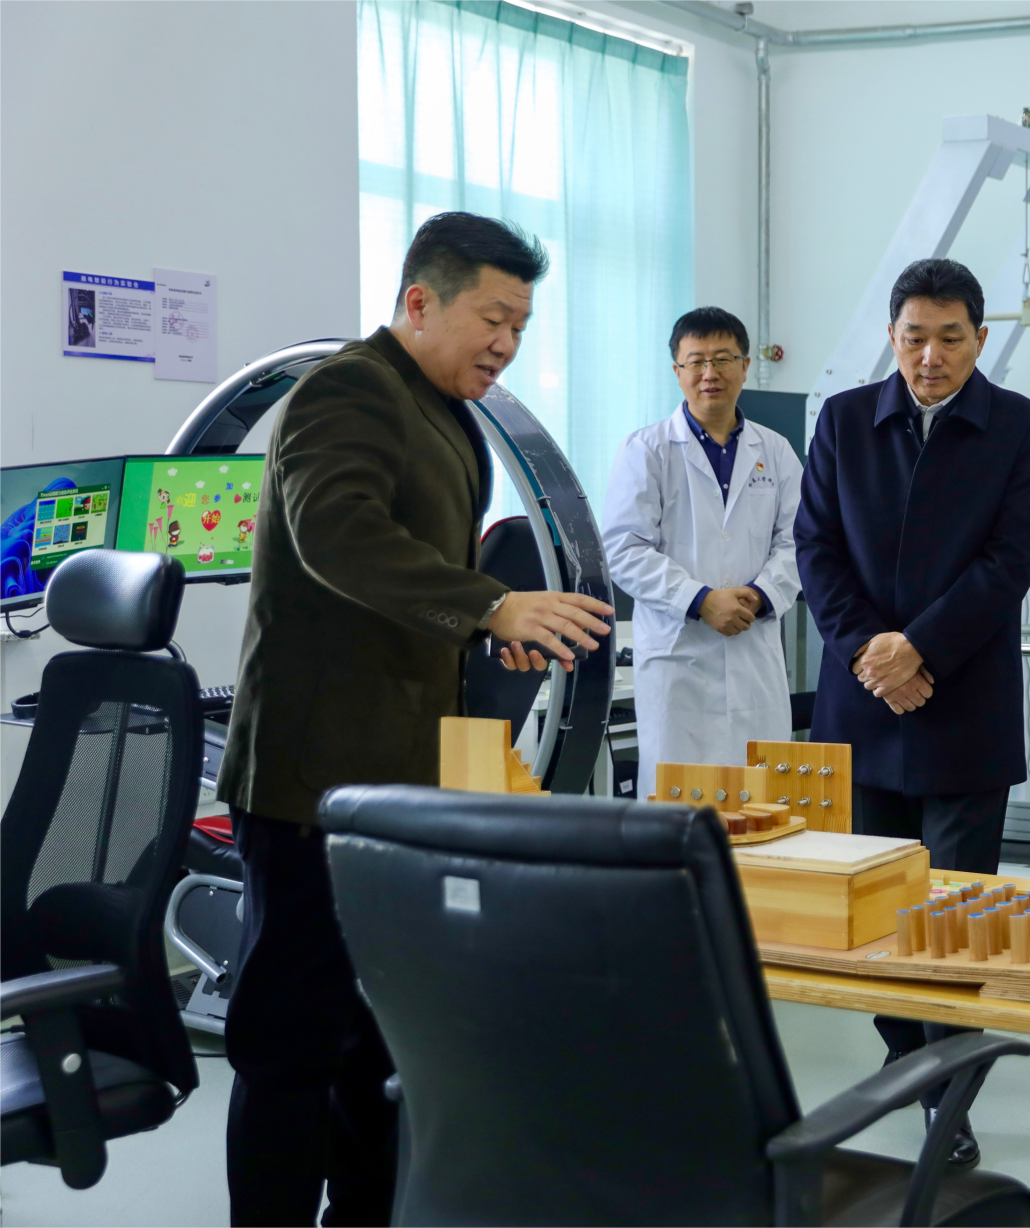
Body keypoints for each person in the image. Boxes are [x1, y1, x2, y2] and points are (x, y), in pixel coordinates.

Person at [216, 212, 614, 1227]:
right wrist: (489, 604)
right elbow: (337, 537)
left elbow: (414, 578)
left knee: (382, 1046)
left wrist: (489, 626)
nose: (506, 343)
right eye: (493, 319)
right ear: (420, 301)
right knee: (292, 1047)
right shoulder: (347, 391)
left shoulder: (444, 411)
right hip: (314, 788)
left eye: (520, 327)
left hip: (397, 789)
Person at [794, 257, 1030, 1169]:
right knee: (875, 911)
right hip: (864, 706)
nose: (931, 356)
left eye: (950, 338)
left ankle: (949, 1096)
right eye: (914, 337)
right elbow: (816, 547)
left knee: (956, 918)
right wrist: (873, 652)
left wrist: (922, 650)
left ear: (980, 338)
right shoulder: (842, 420)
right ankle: (906, 1058)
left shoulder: (1022, 428)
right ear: (892, 337)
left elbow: (1009, 561)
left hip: (962, 706)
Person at [599, 306, 801, 769]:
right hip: (677, 657)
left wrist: (760, 594)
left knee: (760, 796)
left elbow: (800, 541)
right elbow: (624, 548)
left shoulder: (775, 450)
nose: (710, 373)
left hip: (753, 651)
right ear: (678, 372)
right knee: (678, 798)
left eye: (723, 359)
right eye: (696, 361)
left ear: (745, 367)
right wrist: (700, 600)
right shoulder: (646, 450)